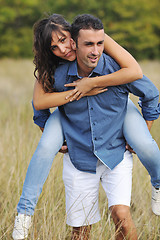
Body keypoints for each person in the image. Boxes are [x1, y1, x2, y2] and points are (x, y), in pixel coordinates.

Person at [12, 14, 160, 240]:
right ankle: (24, 212)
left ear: (73, 34)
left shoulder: (102, 50)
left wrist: (92, 82)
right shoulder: (56, 70)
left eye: (64, 39)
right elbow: (39, 105)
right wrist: (78, 93)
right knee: (44, 148)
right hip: (76, 144)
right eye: (55, 46)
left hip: (115, 141)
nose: (63, 48)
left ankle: (158, 184)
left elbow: (138, 76)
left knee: (143, 144)